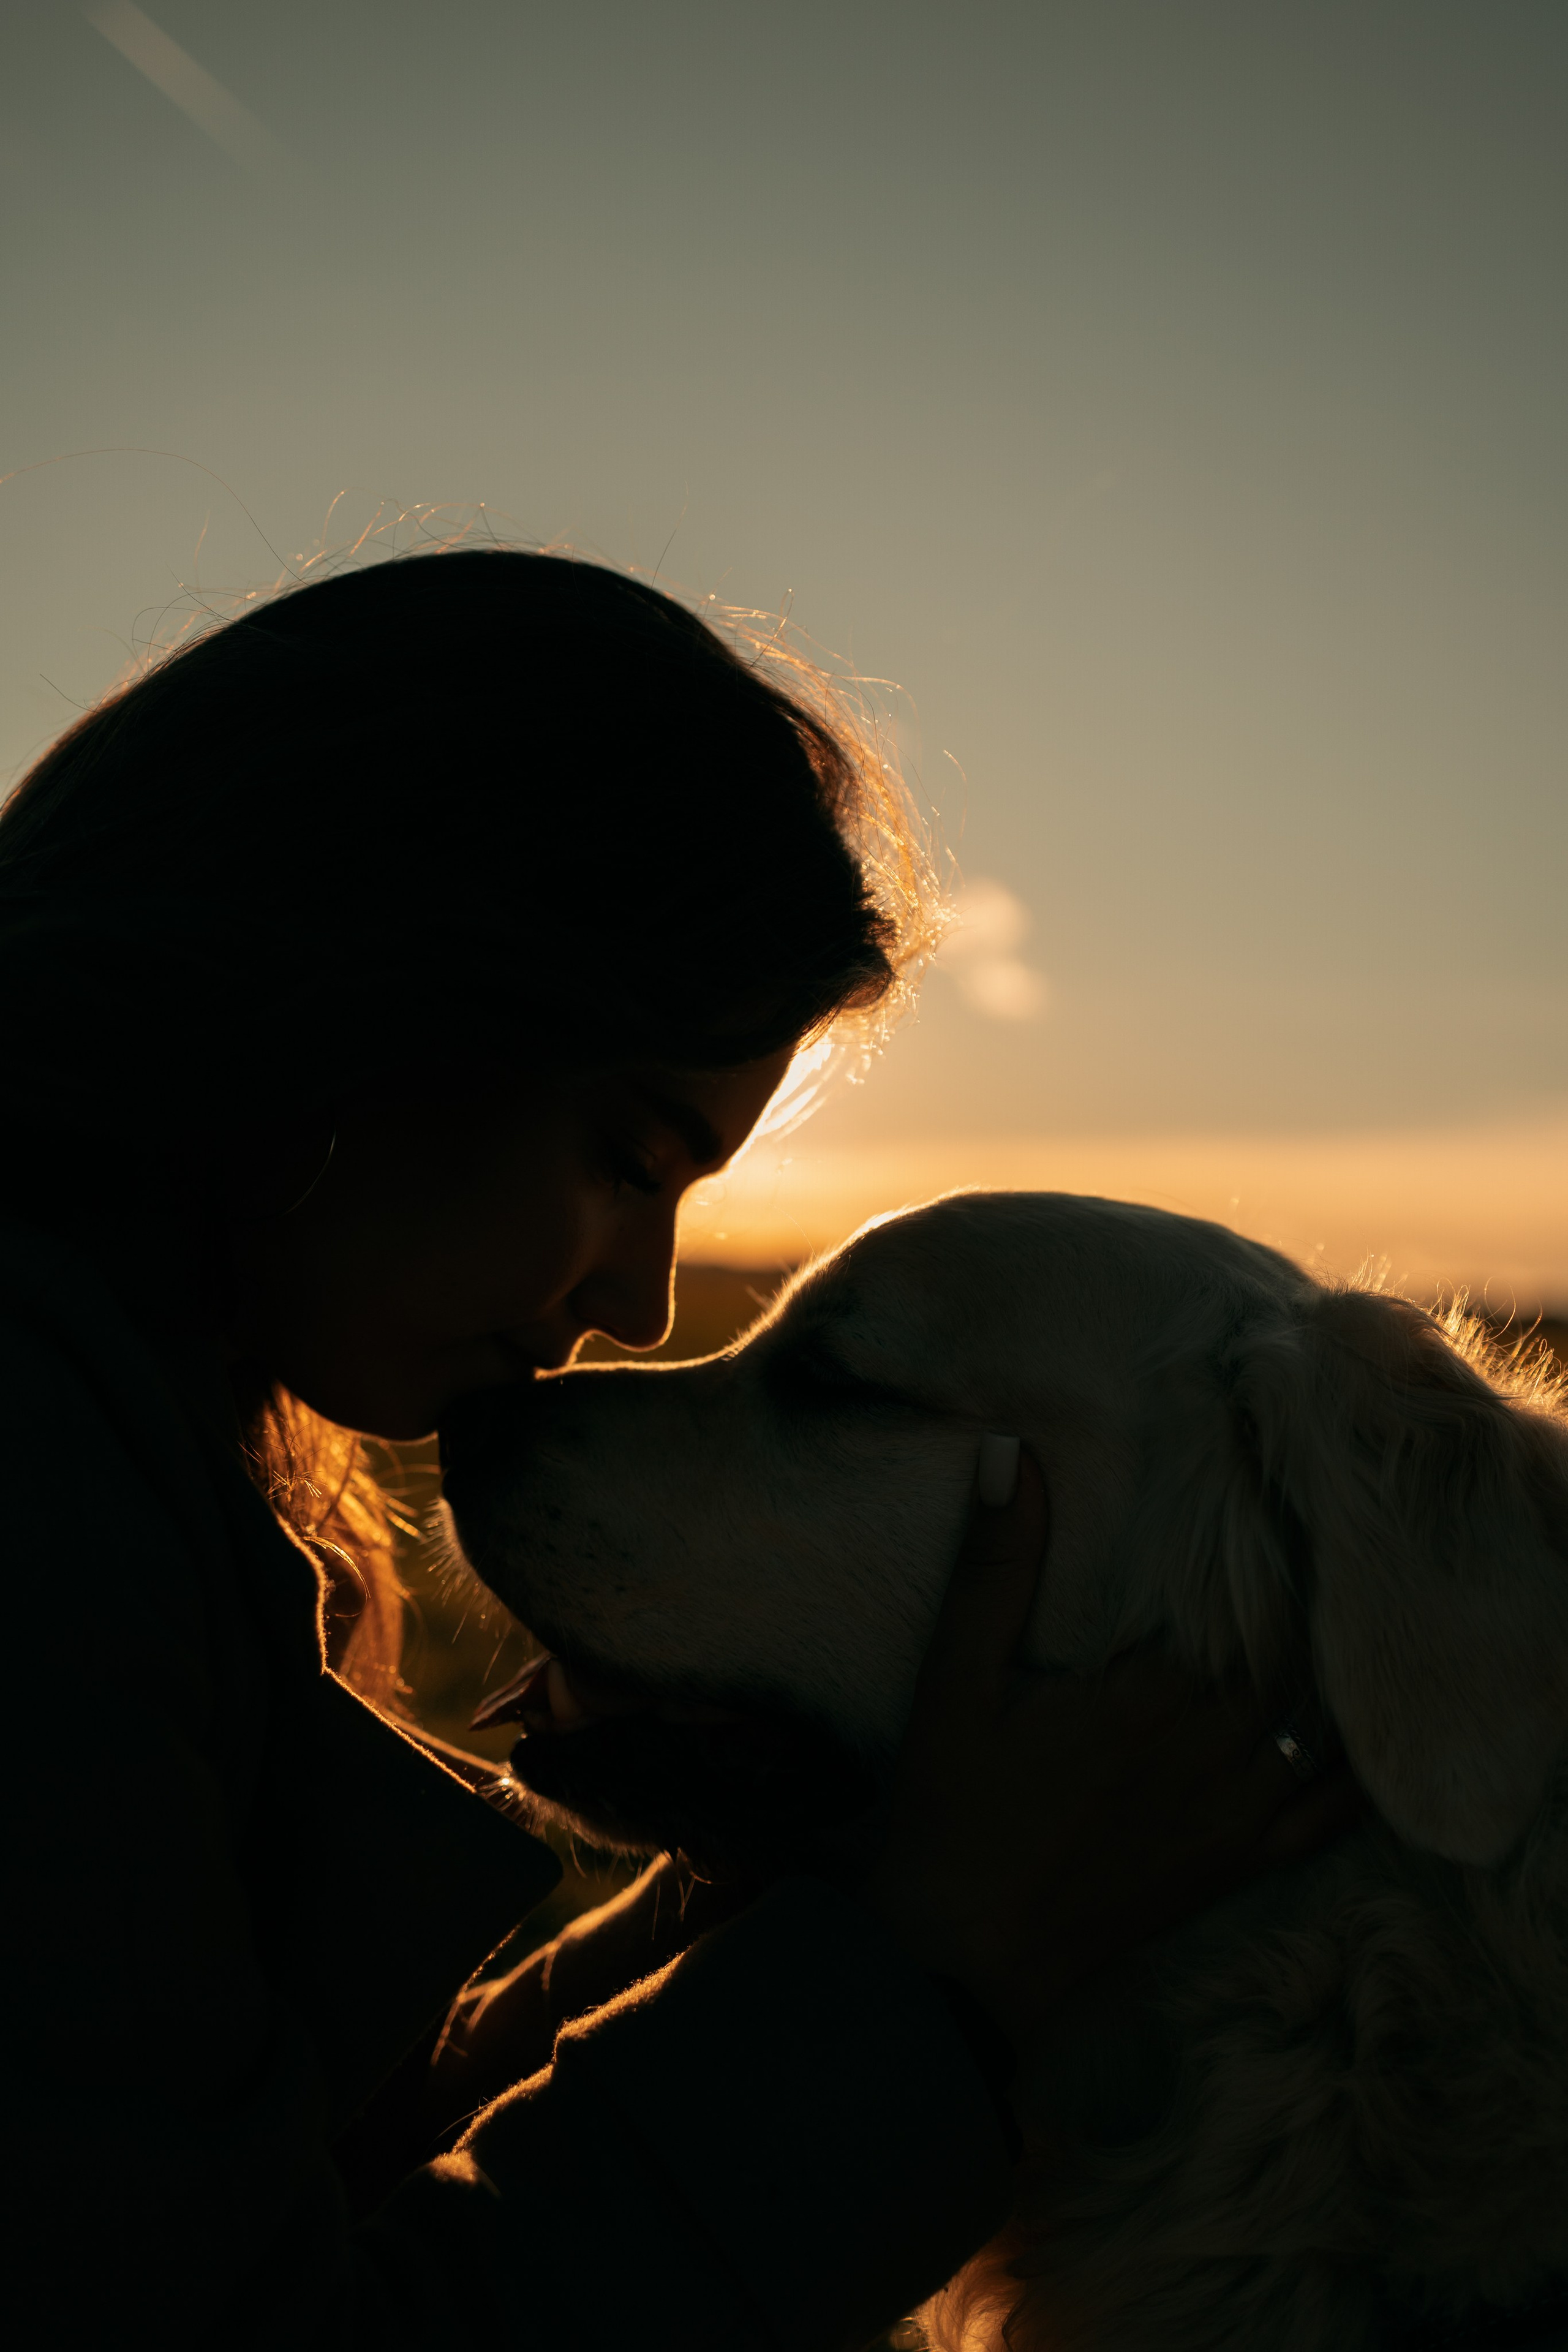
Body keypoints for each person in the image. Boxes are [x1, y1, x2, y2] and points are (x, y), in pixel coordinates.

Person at [1, 548, 1357, 2348]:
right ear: (372, 985)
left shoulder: (117, 1444)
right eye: (628, 1155)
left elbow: (247, 2196)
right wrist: (928, 1990)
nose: (637, 1300)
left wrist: (771, 1926)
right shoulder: (30, 1497)